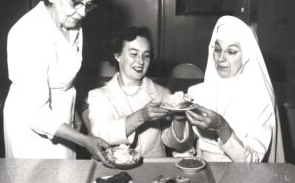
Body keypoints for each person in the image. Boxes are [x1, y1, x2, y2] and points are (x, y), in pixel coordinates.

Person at [3, 0, 111, 165]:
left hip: (63, 122)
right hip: (30, 125)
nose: (82, 13)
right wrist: (85, 140)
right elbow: (35, 112)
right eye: (76, 3)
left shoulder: (72, 23)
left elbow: (64, 78)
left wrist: (74, 112)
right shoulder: (27, 33)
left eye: (87, 5)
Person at [182, 15, 285, 162]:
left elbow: (253, 161)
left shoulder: (260, 99)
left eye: (231, 51)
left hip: (241, 176)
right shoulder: (196, 92)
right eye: (217, 49)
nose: (221, 58)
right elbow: (182, 148)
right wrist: (179, 120)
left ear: (247, 56)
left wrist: (222, 127)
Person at [83, 27, 193, 157]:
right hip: (115, 168)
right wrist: (141, 116)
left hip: (155, 169)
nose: (141, 61)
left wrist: (179, 119)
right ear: (117, 55)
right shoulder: (98, 95)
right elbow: (101, 135)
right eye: (134, 54)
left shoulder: (162, 92)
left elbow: (176, 144)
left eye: (146, 55)